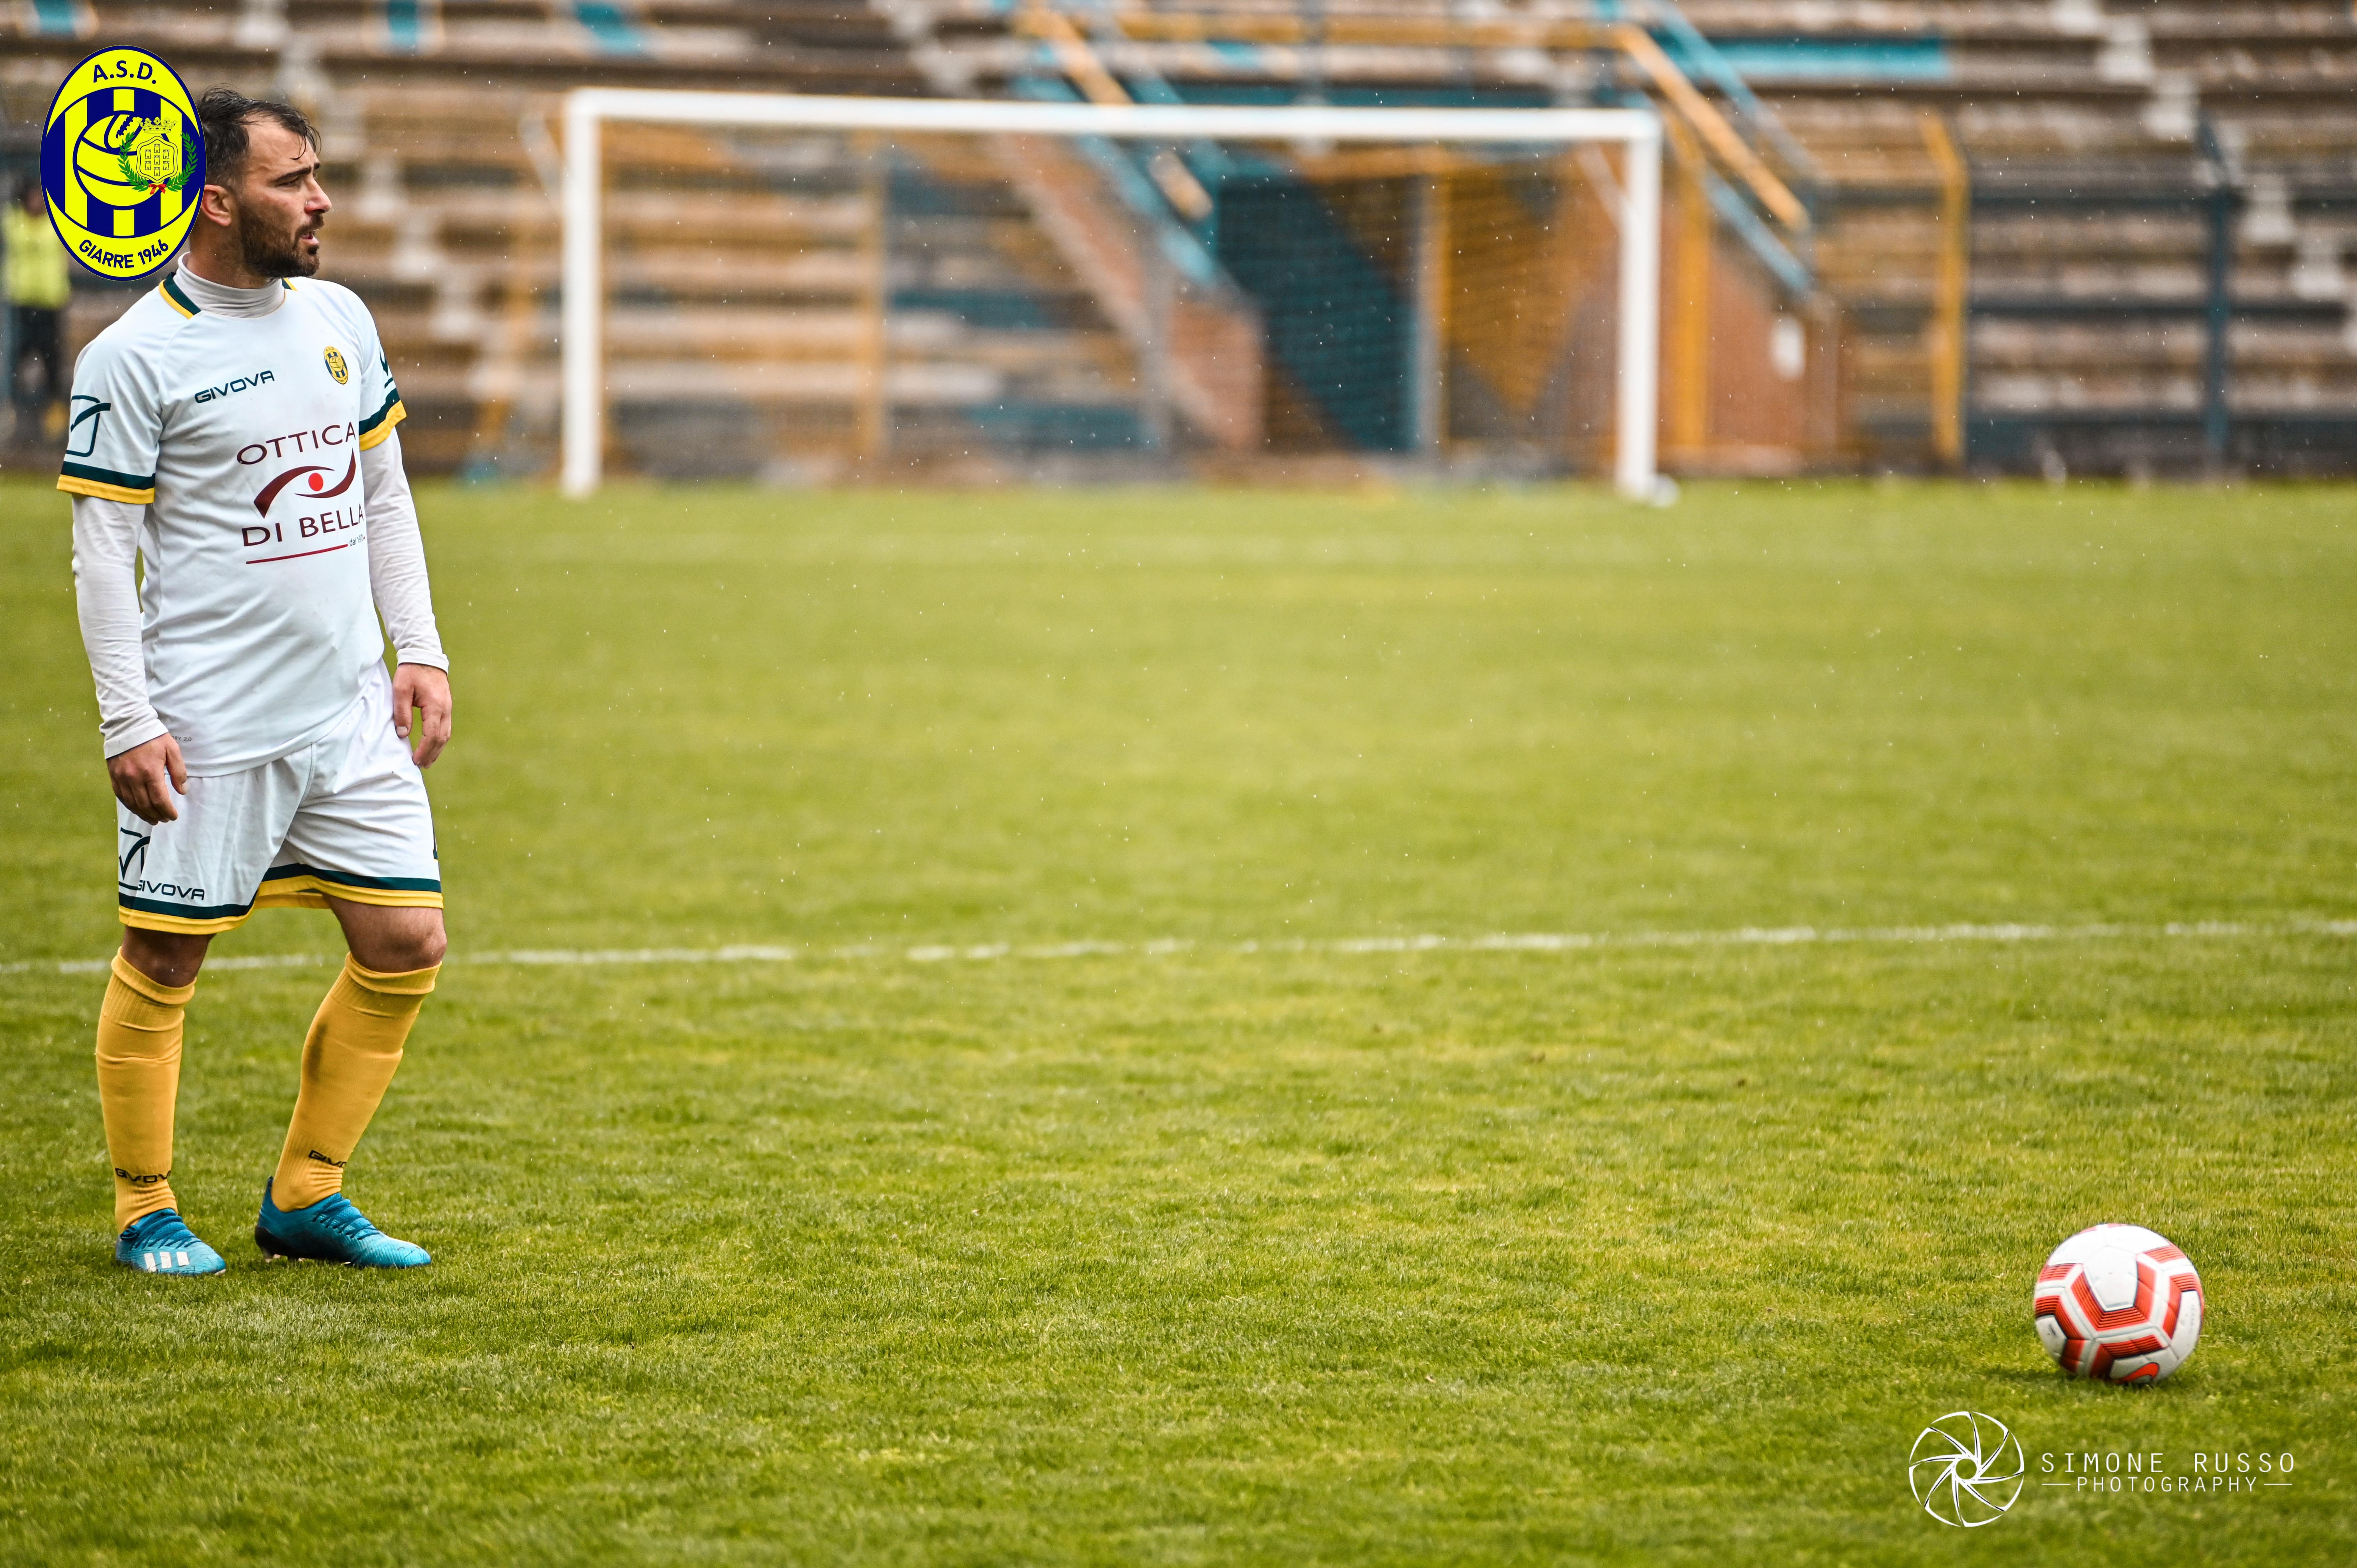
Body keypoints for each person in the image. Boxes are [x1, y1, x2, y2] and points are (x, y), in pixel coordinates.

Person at [63, 88, 452, 1275]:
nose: (320, 199)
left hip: (347, 708)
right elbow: (101, 554)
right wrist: (127, 720)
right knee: (165, 957)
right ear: (219, 201)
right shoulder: (132, 356)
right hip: (209, 722)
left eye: (317, 174)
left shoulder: (340, 316)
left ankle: (307, 1194)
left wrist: (419, 647)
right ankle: (145, 1207)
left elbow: (382, 492)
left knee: (408, 939)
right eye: (294, 180)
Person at [7, 180, 71, 439]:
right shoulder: (12, 221)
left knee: (52, 359)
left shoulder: (55, 223)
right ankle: (13, 411)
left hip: (50, 302)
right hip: (21, 302)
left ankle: (54, 413)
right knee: (15, 359)